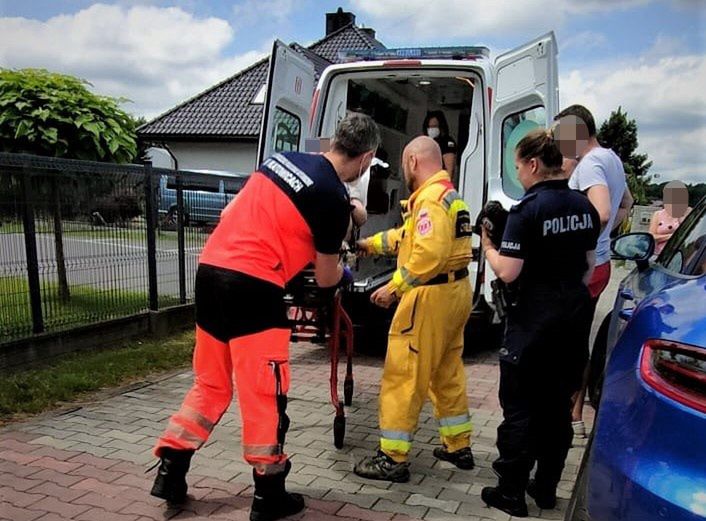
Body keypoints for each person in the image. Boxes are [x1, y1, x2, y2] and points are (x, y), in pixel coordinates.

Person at [149, 114, 380, 521]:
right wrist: (343, 270)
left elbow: (234, 212)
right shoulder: (331, 195)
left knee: (212, 382)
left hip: (211, 272)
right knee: (265, 392)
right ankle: (268, 495)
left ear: (332, 141)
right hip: (254, 288)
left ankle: (171, 468)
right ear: (367, 157)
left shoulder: (281, 160)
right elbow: (326, 279)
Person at [480, 129, 600, 517]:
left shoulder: (526, 210)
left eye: (517, 166)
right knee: (557, 407)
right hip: (573, 318)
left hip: (532, 323)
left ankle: (510, 491)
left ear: (532, 164)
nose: (518, 174)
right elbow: (588, 266)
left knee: (519, 408)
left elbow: (510, 272)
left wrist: (488, 248)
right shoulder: (583, 207)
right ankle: (546, 488)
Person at [353, 136, 474, 482]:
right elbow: (406, 237)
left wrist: (394, 288)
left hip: (429, 297)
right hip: (455, 292)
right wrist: (368, 245)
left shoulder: (430, 201)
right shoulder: (447, 196)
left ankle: (392, 457)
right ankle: (458, 445)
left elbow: (429, 254)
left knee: (403, 374)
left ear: (412, 162)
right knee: (446, 371)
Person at [553, 105, 634, 438]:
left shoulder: (590, 164)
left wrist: (575, 242)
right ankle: (573, 413)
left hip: (583, 267)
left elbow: (600, 212)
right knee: (578, 338)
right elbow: (625, 203)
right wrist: (604, 238)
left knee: (565, 343)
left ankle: (568, 416)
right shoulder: (611, 158)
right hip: (600, 264)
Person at [650, 180, 692, 255]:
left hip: (678, 255)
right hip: (659, 254)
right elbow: (651, 236)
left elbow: (687, 232)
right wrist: (672, 236)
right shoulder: (658, 214)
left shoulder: (687, 211)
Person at [423, 111, 457, 177]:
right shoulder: (428, 143)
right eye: (429, 127)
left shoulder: (447, 142)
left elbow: (449, 170)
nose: (432, 130)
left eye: (434, 126)